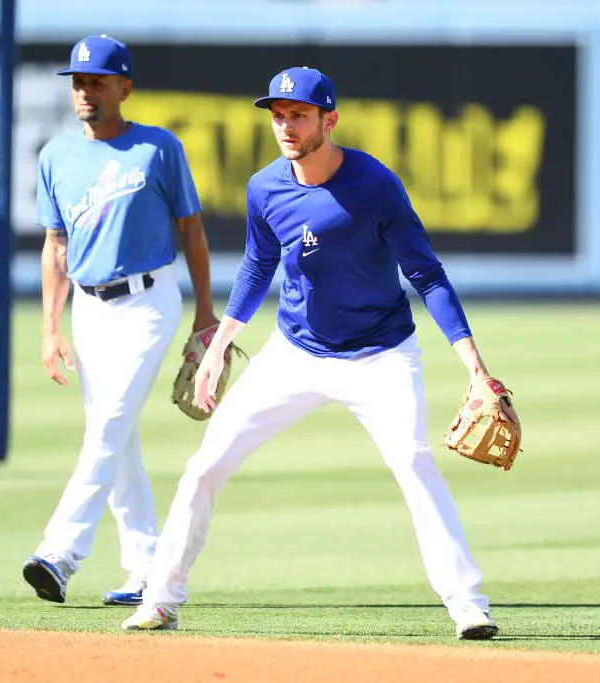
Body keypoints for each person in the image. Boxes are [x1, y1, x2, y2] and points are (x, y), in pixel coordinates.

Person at [120, 67, 502, 639]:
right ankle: (160, 598)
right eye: (277, 115)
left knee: (413, 462)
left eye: (298, 114)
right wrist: (221, 342)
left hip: (381, 354)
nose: (285, 125)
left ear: (330, 119)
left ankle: (467, 603)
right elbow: (257, 266)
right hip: (295, 352)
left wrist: (475, 367)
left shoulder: (375, 186)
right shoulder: (265, 188)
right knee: (205, 465)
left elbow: (426, 272)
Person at [22, 35, 218, 608]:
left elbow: (193, 231)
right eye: (78, 81)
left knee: (107, 426)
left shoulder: (158, 148)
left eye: (96, 81)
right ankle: (146, 567)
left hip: (149, 302)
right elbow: (55, 245)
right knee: (117, 437)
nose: (84, 91)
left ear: (124, 88)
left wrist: (207, 315)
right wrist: (49, 327)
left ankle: (59, 553)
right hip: (88, 308)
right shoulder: (56, 155)